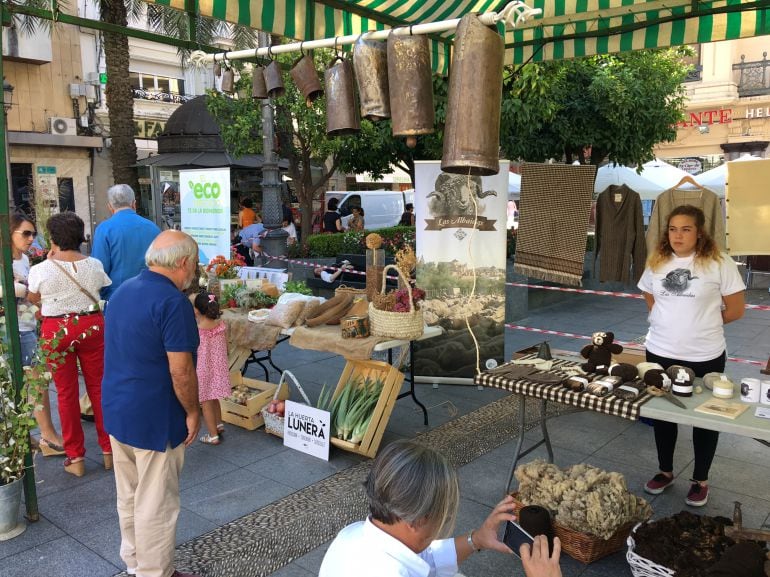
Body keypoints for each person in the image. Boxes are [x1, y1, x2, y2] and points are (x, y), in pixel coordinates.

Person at [102, 230, 201, 577]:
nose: (195, 271)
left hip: (117, 406)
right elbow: (182, 371)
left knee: (128, 495)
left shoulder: (122, 290)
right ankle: (154, 572)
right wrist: (193, 411)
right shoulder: (173, 303)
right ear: (185, 262)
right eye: (196, 263)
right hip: (155, 414)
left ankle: (135, 563)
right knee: (156, 503)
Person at [319, 439, 562, 577]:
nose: (443, 521)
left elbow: (426, 558)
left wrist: (476, 539)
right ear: (417, 520)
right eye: (441, 514)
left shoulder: (354, 534)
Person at [638, 204, 745, 507]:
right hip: (659, 351)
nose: (678, 235)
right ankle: (665, 471)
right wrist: (664, 319)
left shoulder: (718, 262)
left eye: (686, 229)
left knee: (705, 417)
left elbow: (736, 309)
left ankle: (700, 480)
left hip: (705, 355)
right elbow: (649, 294)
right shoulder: (657, 261)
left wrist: (701, 324)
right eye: (672, 229)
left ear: (699, 233)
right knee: (663, 416)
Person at [27, 212, 112, 477]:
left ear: (53, 238)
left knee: (65, 393)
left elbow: (32, 296)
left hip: (56, 329)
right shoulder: (95, 264)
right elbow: (103, 285)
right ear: (80, 236)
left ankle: (75, 457)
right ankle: (110, 451)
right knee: (98, 388)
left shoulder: (41, 268)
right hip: (91, 324)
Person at [7, 213, 64, 456]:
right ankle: (47, 436)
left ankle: (22, 434)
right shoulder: (5, 261)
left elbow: (31, 293)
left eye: (33, 234)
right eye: (26, 233)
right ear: (9, 232)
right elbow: (26, 292)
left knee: (32, 381)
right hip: (11, 329)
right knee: (36, 380)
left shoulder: (23, 259)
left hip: (27, 325)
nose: (31, 239)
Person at [91, 184, 161, 301]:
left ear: (110, 206)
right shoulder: (153, 228)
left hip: (117, 296)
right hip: (151, 293)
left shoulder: (104, 229)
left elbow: (99, 269)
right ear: (134, 203)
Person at [191, 291, 230, 445]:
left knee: (206, 401)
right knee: (214, 398)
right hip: (219, 367)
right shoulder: (220, 325)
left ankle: (212, 435)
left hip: (204, 369)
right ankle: (219, 424)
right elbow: (226, 346)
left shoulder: (198, 329)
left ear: (196, 311)